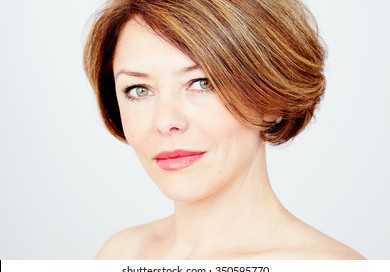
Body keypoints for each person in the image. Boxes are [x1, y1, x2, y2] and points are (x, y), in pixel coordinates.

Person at [83, 0, 364, 259]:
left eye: (202, 83)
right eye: (139, 89)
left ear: (271, 97)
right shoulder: (120, 254)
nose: (165, 121)